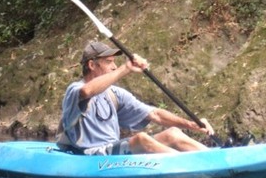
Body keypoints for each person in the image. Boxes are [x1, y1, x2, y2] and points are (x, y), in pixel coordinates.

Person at [57, 41, 215, 155]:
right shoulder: (75, 90)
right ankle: (189, 165)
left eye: (114, 62)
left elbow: (155, 114)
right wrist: (126, 68)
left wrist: (191, 125)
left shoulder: (114, 94)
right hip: (91, 154)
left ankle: (212, 157)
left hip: (113, 149)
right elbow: (87, 91)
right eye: (108, 62)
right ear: (92, 65)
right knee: (140, 139)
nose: (113, 66)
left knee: (172, 133)